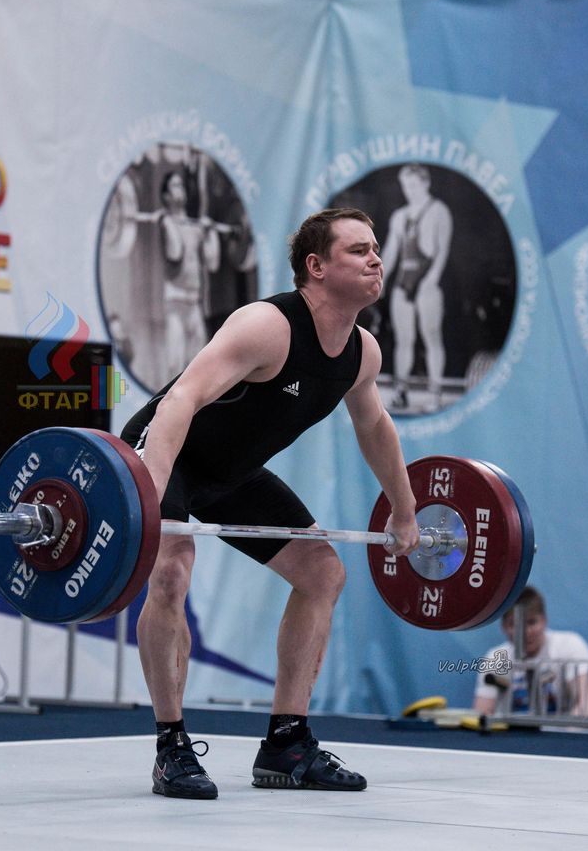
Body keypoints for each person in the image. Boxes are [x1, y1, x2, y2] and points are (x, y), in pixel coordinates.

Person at [121, 207, 420, 799]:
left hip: (231, 474)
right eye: (358, 250)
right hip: (168, 450)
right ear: (316, 266)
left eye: (375, 248)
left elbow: (374, 426)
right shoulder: (266, 326)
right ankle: (171, 747)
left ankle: (286, 744)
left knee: (322, 573)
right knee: (171, 570)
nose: (375, 259)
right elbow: (179, 401)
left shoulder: (362, 352)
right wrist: (152, 495)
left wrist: (405, 509)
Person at [379, 163, 453, 412]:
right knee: (403, 339)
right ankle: (401, 392)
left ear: (426, 183)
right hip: (404, 281)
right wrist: (380, 278)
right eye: (405, 185)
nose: (409, 190)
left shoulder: (439, 211)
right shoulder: (399, 216)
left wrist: (431, 280)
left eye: (413, 185)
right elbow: (391, 252)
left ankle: (435, 393)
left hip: (428, 279)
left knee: (431, 336)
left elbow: (442, 250)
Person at [473, 586, 588, 717]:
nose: (525, 632)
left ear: (544, 620)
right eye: (515, 625)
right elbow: (481, 714)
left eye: (531, 622)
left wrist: (568, 729)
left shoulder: (570, 645)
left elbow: (586, 706)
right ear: (504, 627)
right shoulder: (495, 658)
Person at [158, 170, 220, 375]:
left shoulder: (196, 227)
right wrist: (169, 223)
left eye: (181, 185)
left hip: (194, 303)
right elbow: (175, 252)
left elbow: (212, 263)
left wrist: (211, 235)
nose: (181, 189)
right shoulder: (166, 223)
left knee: (199, 369)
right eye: (175, 186)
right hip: (175, 303)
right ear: (166, 196)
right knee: (175, 366)